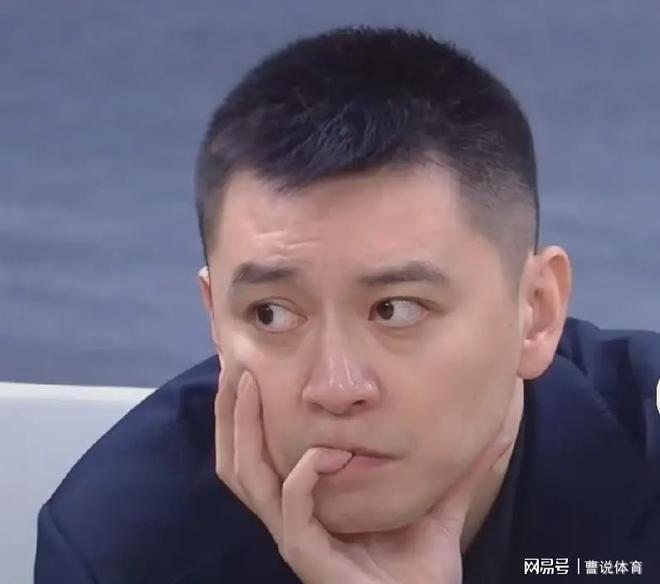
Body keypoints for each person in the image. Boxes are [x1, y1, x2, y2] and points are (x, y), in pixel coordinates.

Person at [34, 26, 660, 584]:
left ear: (536, 312)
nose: (336, 389)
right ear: (215, 319)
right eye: (272, 314)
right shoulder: (122, 550)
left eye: (396, 310)